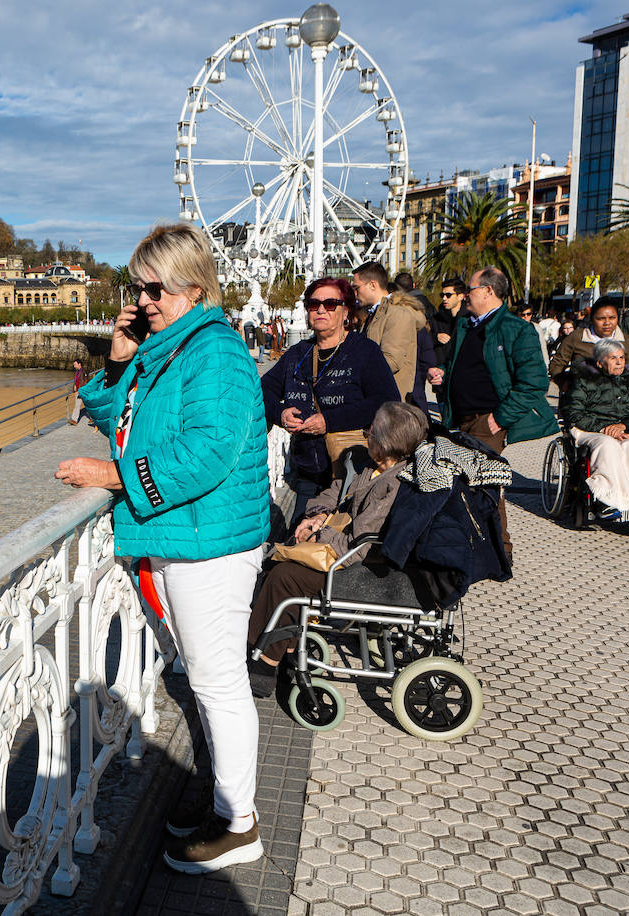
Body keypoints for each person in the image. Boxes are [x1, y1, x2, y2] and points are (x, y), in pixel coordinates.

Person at [56, 222, 270, 874]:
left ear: (193, 285)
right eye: (138, 286)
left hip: (210, 542)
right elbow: (116, 416)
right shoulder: (170, 350)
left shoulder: (216, 353)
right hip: (188, 535)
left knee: (219, 682)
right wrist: (120, 359)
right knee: (205, 679)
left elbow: (205, 454)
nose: (144, 299)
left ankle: (240, 824)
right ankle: (224, 802)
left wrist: (113, 477)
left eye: (156, 287)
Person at [245, 401, 428, 692]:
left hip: (362, 567)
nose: (366, 435)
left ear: (385, 442)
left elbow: (361, 542)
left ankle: (264, 662)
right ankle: (289, 652)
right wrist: (316, 514)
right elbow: (336, 493)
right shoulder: (372, 467)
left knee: (286, 578)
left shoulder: (394, 484)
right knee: (279, 566)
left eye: (371, 431)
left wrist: (320, 533)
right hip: (344, 551)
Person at [429, 266, 557, 561]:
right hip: (458, 418)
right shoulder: (466, 325)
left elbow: (535, 382)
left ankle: (501, 552)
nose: (464, 295)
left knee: (484, 484)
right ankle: (468, 545)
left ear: (488, 291)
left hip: (487, 421)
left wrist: (499, 418)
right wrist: (443, 375)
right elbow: (463, 365)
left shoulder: (517, 329)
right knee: (460, 482)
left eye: (469, 290)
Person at [260, 277, 401, 505]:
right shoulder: (297, 354)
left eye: (330, 304)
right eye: (314, 304)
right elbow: (264, 389)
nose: (321, 310)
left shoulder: (364, 351)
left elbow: (387, 401)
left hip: (354, 469)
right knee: (302, 534)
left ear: (346, 312)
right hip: (308, 470)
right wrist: (281, 414)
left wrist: (330, 420)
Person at [564, 339, 629, 521]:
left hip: (622, 429)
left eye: (621, 357)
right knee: (607, 445)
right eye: (613, 358)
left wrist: (625, 426)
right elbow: (573, 413)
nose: (619, 362)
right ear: (600, 362)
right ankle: (606, 500)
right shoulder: (584, 382)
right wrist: (603, 428)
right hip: (589, 430)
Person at [352, 261, 426, 401]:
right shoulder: (374, 314)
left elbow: (391, 361)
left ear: (372, 285)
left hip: (390, 404)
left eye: (357, 288)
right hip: (375, 398)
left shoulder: (396, 314)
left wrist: (353, 369)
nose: (355, 294)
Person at [547, 301, 629, 392]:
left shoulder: (625, 340)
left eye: (612, 318)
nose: (607, 323)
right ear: (591, 319)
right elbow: (557, 363)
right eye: (601, 319)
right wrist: (564, 383)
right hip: (581, 398)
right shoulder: (577, 337)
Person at [519, 304, 550, 369]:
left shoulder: (536, 327)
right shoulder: (513, 328)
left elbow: (542, 346)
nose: (526, 316)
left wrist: (546, 363)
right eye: (523, 314)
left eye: (528, 314)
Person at [69, 358, 87, 424]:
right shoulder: (77, 371)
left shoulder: (84, 371)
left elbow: (85, 381)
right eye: (74, 365)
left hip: (82, 391)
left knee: (87, 405)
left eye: (75, 364)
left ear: (79, 364)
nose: (74, 366)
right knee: (77, 405)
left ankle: (93, 418)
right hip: (78, 391)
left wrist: (81, 389)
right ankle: (74, 420)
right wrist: (74, 387)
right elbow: (76, 381)